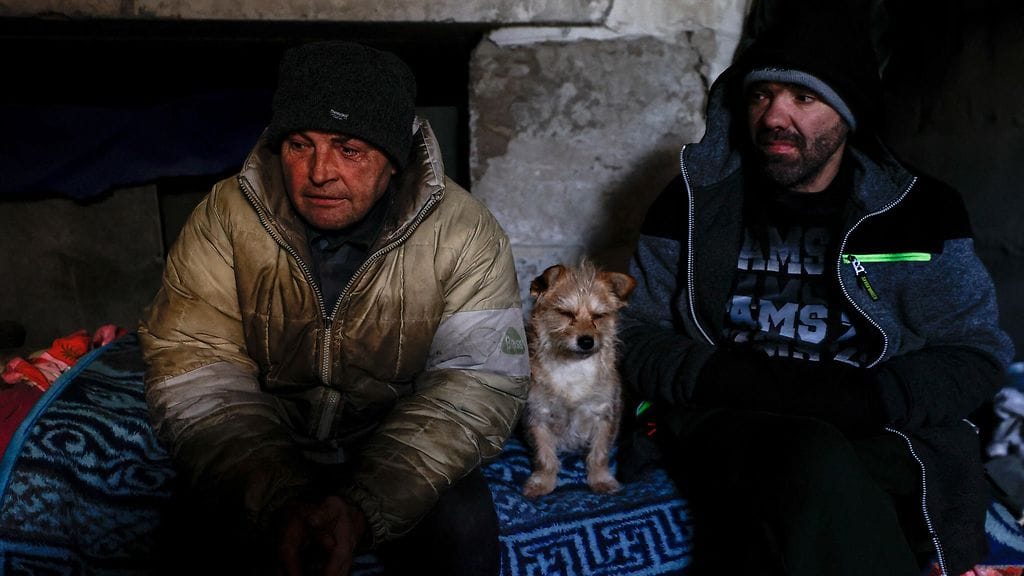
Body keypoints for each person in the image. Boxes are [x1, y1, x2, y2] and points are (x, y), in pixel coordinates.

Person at [617, 5, 1015, 576]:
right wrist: (719, 377)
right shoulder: (693, 201)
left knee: (813, 485)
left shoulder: (921, 211)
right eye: (761, 96)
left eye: (803, 98)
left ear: (847, 116)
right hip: (726, 411)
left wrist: (873, 399)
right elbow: (631, 329)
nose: (773, 117)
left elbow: (975, 350)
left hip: (872, 421)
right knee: (809, 458)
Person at [138, 40, 529, 576]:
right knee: (180, 533)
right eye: (300, 145)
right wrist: (277, 497)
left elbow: (478, 381)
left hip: (395, 438)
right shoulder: (226, 217)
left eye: (349, 149)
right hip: (268, 436)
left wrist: (366, 506)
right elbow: (194, 367)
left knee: (463, 530)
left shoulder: (464, 233)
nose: (319, 172)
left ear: (393, 159)